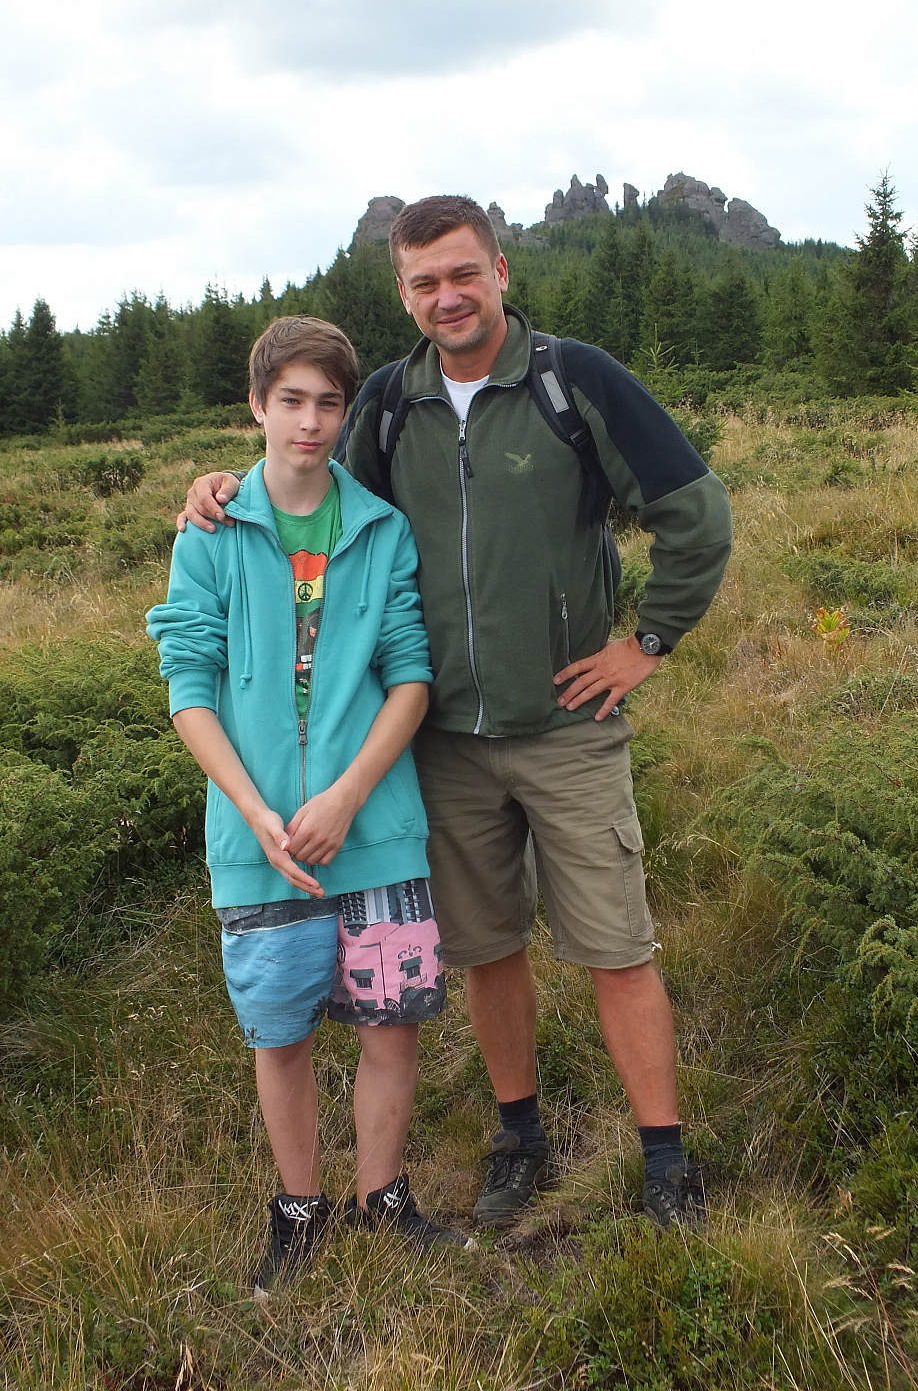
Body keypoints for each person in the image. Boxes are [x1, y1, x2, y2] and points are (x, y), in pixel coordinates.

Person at [180, 198, 733, 1230]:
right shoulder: (389, 405)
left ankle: (666, 1163)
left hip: (566, 729)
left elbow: (697, 513)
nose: (449, 296)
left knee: (616, 946)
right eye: (426, 281)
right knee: (488, 949)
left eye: (464, 273)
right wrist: (222, 489)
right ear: (403, 293)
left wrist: (648, 642)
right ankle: (520, 1136)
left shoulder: (574, 380)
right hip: (442, 745)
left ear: (501, 272)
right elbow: (319, 500)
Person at [149, 315, 471, 1292]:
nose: (311, 422)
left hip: (376, 832)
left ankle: (383, 1196)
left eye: (329, 403)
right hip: (262, 846)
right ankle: (298, 1210)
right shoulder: (213, 532)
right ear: (257, 404)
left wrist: (348, 794)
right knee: (279, 1033)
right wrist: (255, 812)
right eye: (290, 400)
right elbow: (188, 687)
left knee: (391, 1023)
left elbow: (409, 677)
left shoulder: (379, 529)